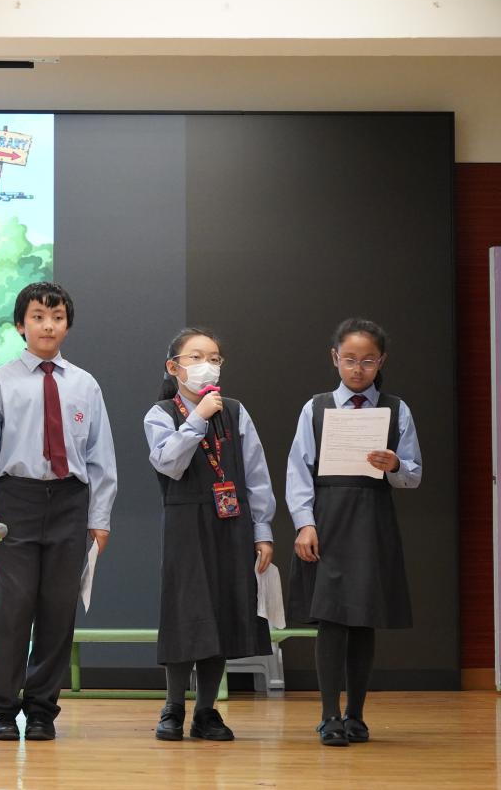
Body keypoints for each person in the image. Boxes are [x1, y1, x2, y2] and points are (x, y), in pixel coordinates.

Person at [0, 281, 118, 742]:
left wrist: (100, 517)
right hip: (16, 502)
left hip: (70, 502)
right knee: (11, 607)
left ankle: (41, 710)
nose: (47, 325)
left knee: (58, 608)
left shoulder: (85, 384)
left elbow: (100, 456)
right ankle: (1, 707)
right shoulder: (1, 381)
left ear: (67, 325)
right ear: (20, 325)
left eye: (56, 317)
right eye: (37, 316)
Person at [286, 318, 422, 746]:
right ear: (335, 358)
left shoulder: (396, 409)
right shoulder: (316, 408)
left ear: (381, 361)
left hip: (372, 520)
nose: (357, 369)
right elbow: (298, 472)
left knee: (364, 619)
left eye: (367, 361)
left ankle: (356, 716)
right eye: (349, 359)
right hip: (328, 520)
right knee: (331, 619)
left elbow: (413, 474)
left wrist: (394, 465)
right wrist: (304, 523)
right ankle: (329, 716)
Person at [144, 328, 275, 742]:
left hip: (230, 521)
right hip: (185, 522)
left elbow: (256, 474)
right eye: (197, 357)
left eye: (214, 359)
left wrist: (262, 530)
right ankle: (173, 707)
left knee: (221, 611)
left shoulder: (235, 411)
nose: (208, 366)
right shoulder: (161, 413)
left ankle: (206, 711)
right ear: (174, 367)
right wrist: (197, 418)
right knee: (186, 612)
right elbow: (169, 463)